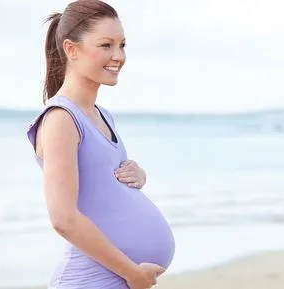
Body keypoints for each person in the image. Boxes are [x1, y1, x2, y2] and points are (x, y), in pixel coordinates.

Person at [25, 1, 175, 288]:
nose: (117, 56)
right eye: (106, 45)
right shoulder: (61, 119)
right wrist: (131, 272)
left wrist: (136, 176)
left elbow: (101, 187)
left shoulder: (102, 116)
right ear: (72, 49)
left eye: (122, 45)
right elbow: (63, 218)